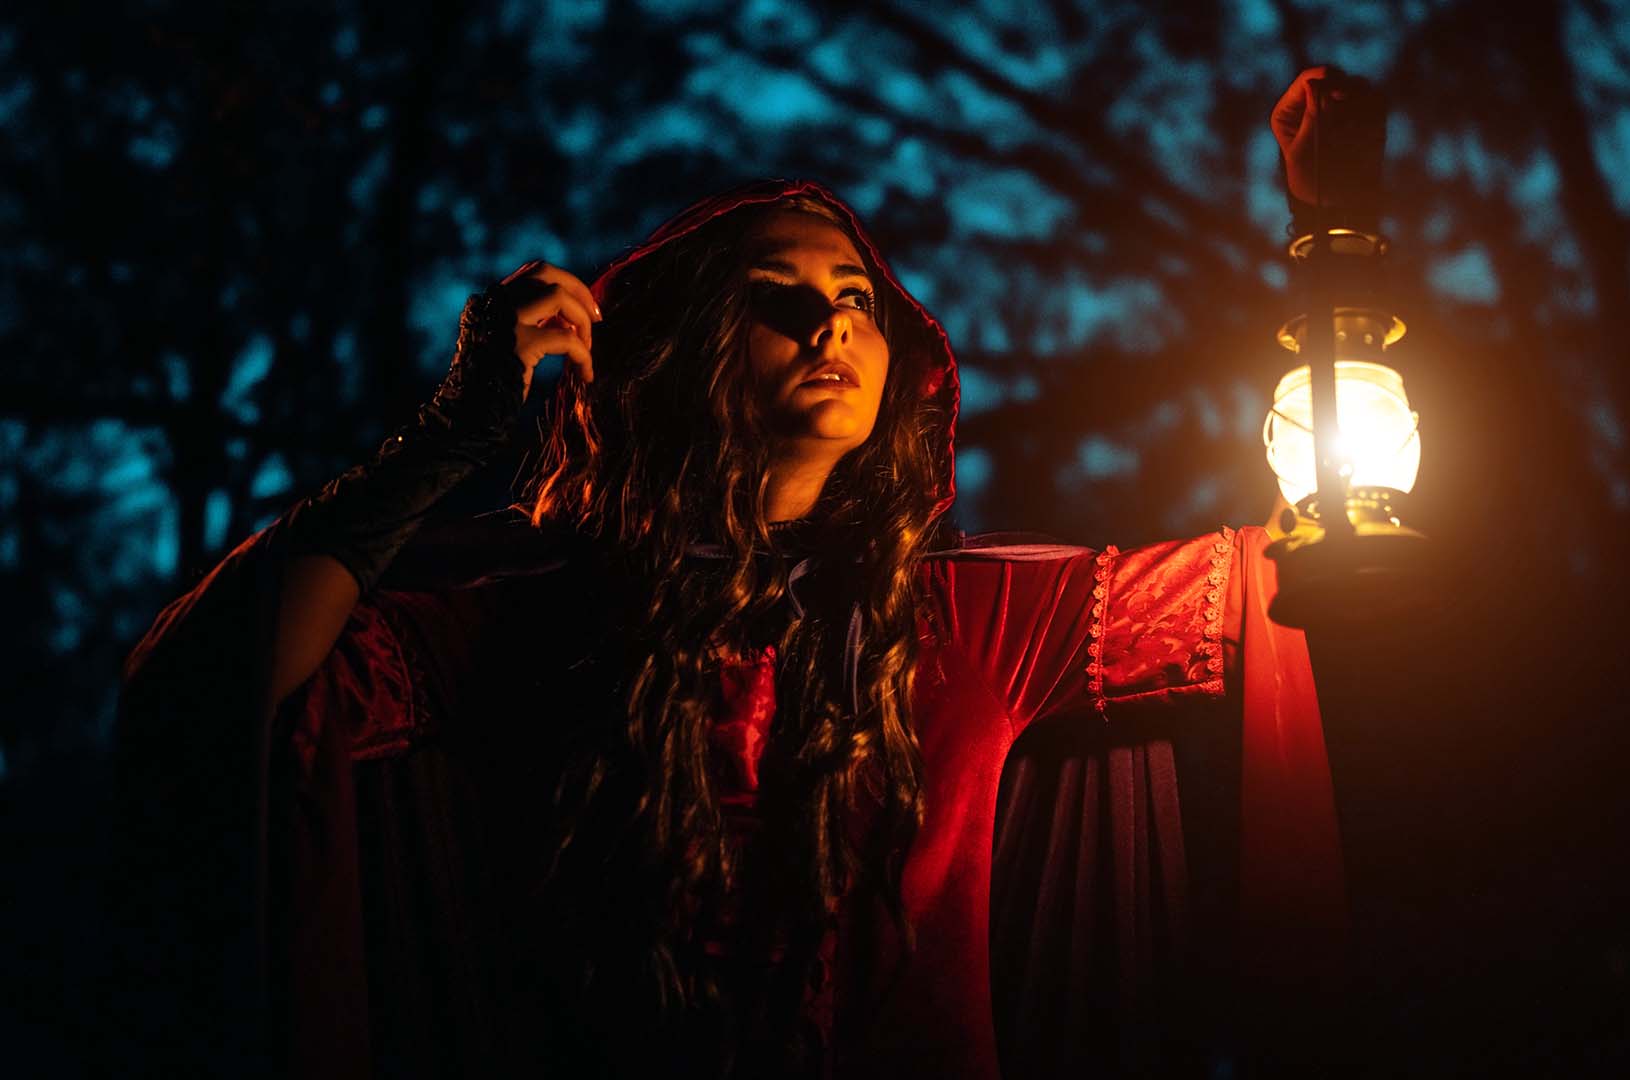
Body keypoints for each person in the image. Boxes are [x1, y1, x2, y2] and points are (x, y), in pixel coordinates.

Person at [118, 69, 1374, 1075]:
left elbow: (1318, 569)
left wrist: (1336, 243)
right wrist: (451, 436)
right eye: (773, 298)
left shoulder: (980, 615)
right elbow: (219, 682)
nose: (829, 323)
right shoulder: (532, 623)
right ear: (679, 359)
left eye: (855, 297)